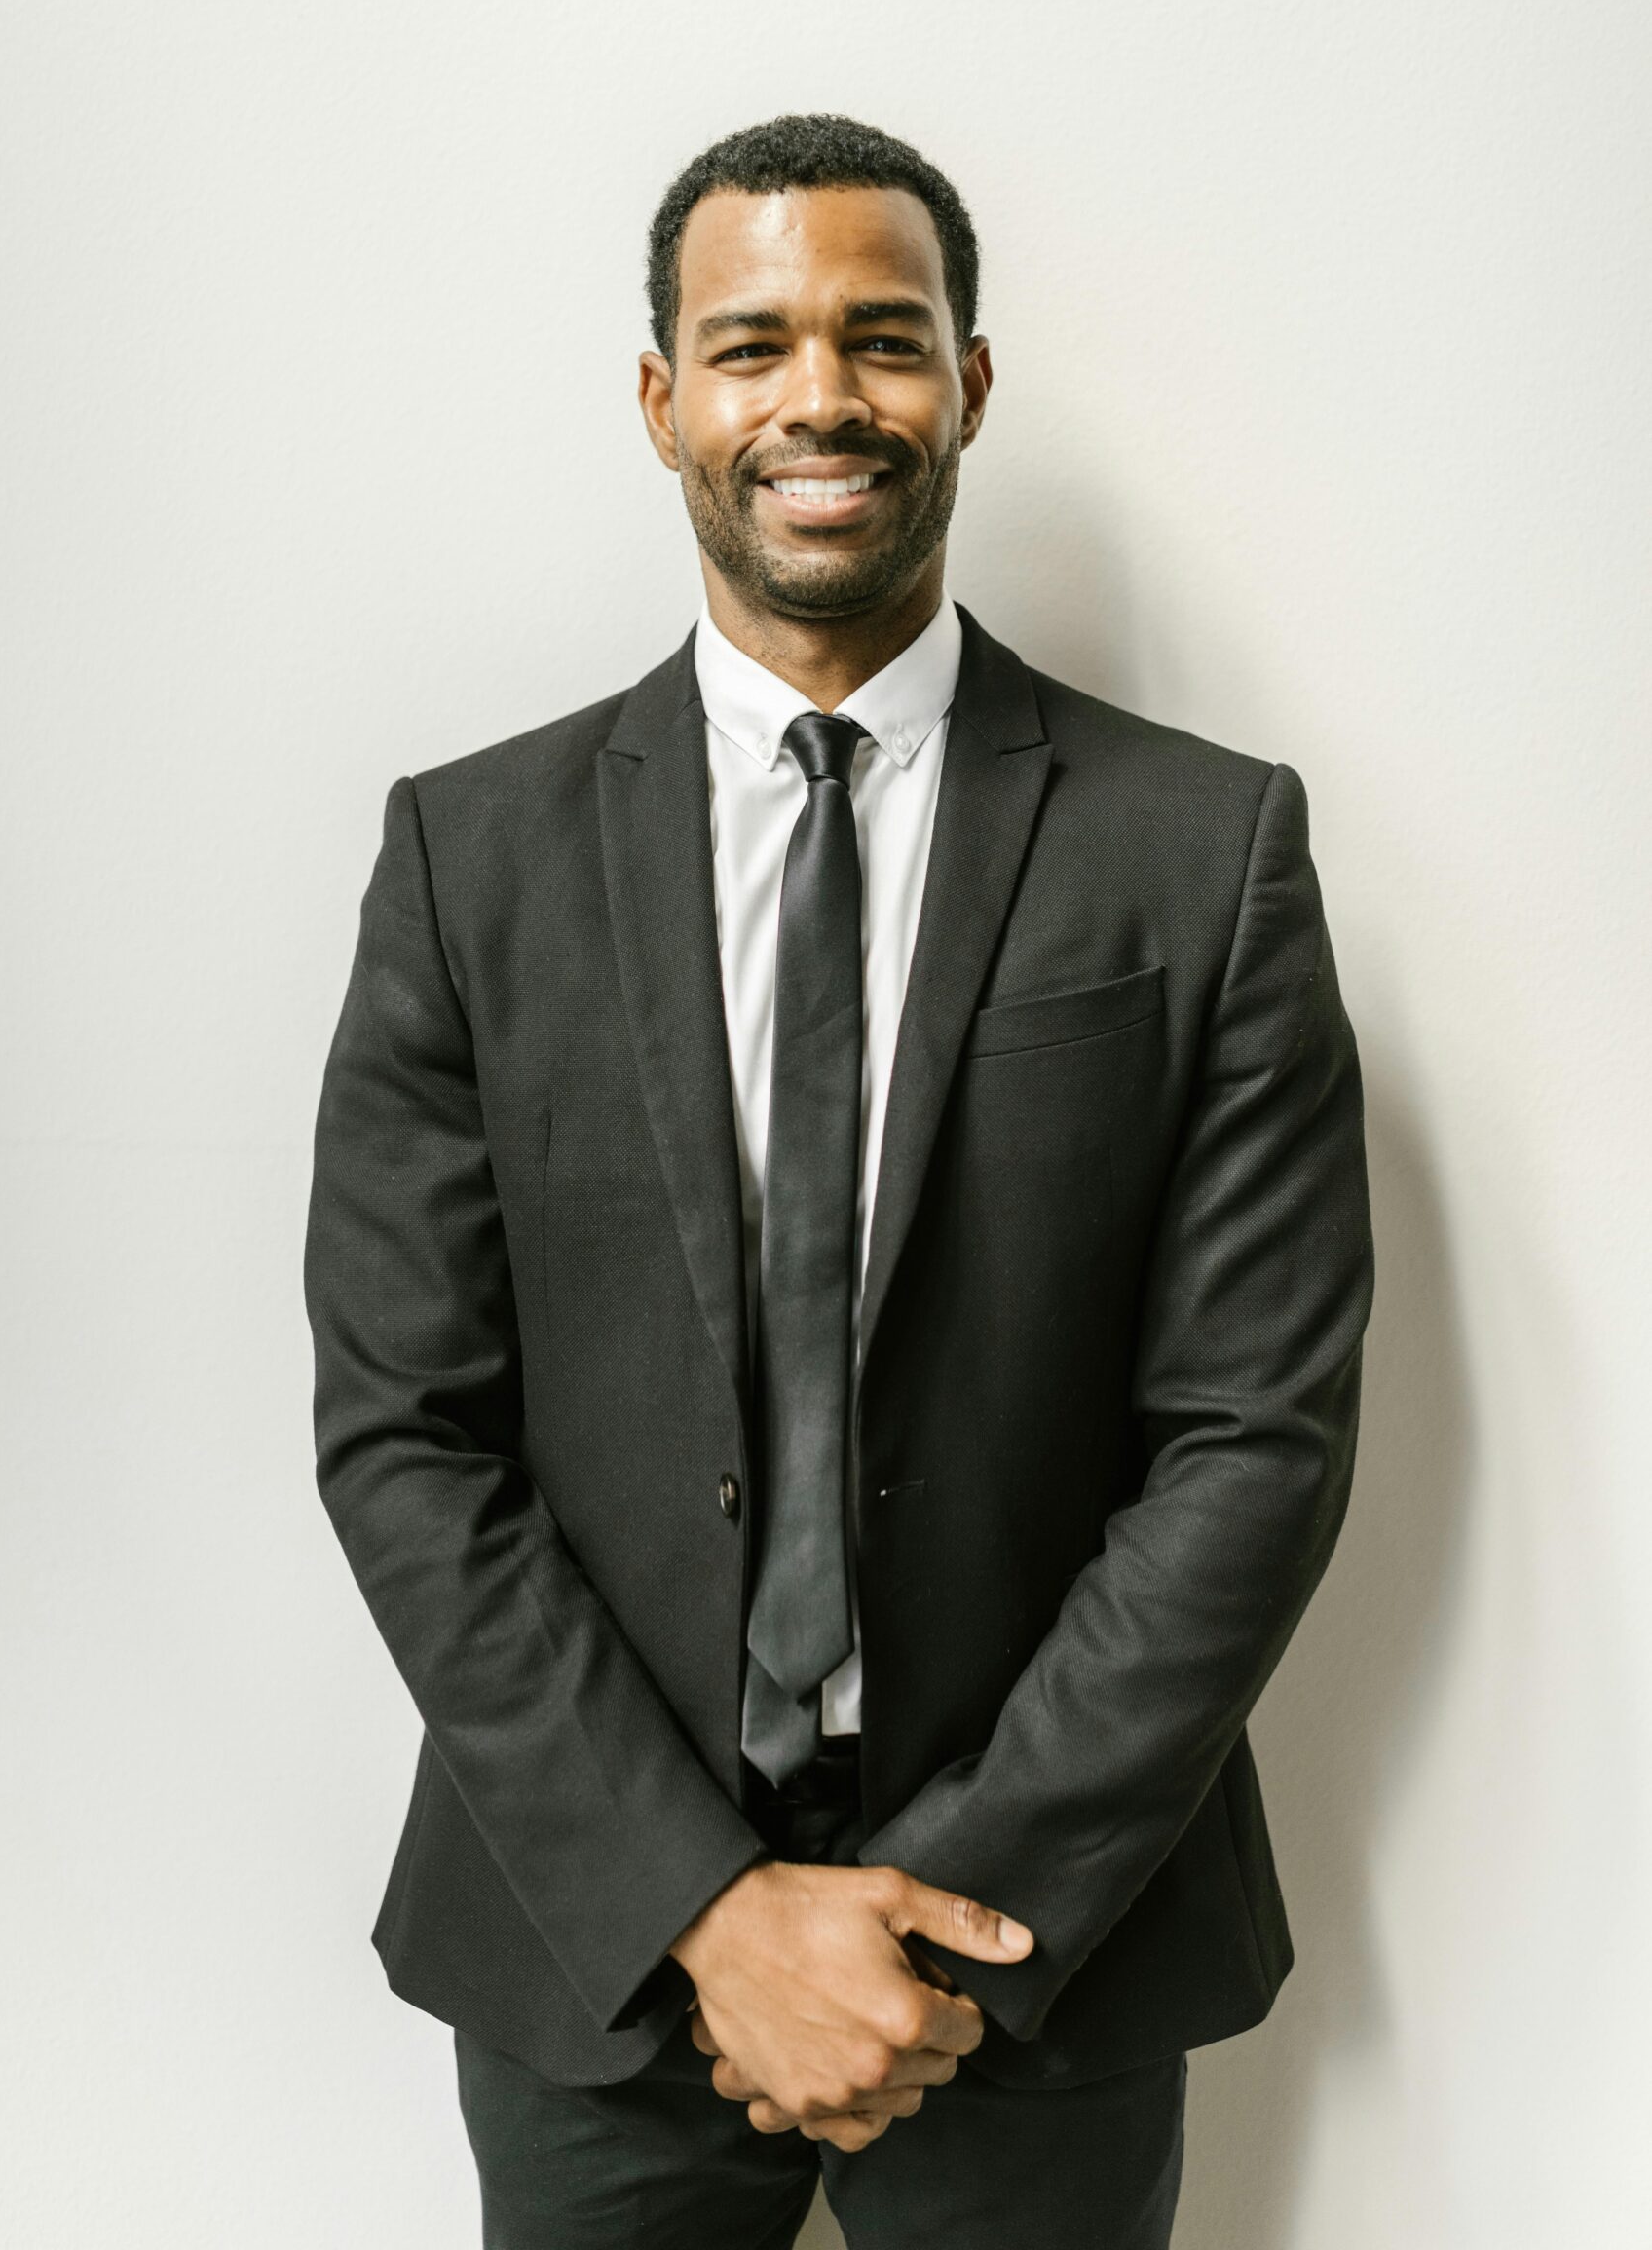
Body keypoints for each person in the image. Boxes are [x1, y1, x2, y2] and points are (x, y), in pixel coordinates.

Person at [303, 111, 1376, 2248]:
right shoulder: (468, 858)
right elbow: (406, 1433)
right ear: (660, 400)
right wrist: (703, 1908)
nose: (818, 397)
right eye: (750, 342)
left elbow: (1249, 1437)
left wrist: (942, 1912)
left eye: (881, 340)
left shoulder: (1202, 847)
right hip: (592, 1939)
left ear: (967, 383)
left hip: (1034, 1947)